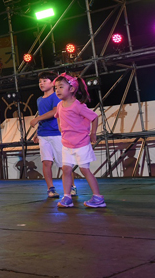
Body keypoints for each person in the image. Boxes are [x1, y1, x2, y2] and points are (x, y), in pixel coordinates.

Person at [53, 73, 106, 208]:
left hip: (81, 143)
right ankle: (67, 197)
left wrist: (93, 133)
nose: (57, 90)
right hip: (67, 144)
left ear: (71, 89)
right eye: (56, 88)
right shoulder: (59, 105)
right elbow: (58, 116)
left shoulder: (78, 106)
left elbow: (94, 117)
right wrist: (60, 126)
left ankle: (98, 197)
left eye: (61, 87)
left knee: (84, 170)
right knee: (66, 170)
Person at [29, 72, 77, 199]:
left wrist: (37, 119)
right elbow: (43, 115)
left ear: (52, 83)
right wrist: (37, 133)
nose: (41, 83)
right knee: (46, 162)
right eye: (40, 81)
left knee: (63, 164)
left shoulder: (56, 96)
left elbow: (55, 111)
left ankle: (72, 186)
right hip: (43, 134)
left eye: (45, 81)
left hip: (56, 133)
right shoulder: (39, 99)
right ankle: (50, 189)